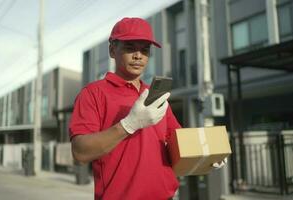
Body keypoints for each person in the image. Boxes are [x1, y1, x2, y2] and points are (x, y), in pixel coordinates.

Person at [69, 17, 226, 200]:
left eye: (145, 50)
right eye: (130, 48)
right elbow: (80, 152)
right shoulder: (93, 93)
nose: (138, 56)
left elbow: (178, 143)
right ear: (112, 50)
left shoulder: (155, 96)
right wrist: (128, 125)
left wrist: (207, 155)